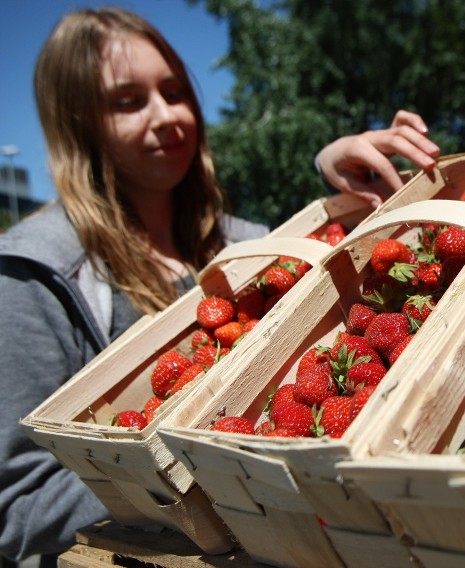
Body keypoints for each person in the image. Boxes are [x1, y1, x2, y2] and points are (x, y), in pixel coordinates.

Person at [0, 7, 439, 564]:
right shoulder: (31, 276)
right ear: (77, 122)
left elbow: (334, 282)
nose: (167, 116)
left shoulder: (241, 243)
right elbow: (15, 508)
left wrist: (335, 176)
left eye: (175, 91)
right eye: (129, 101)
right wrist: (166, 473)